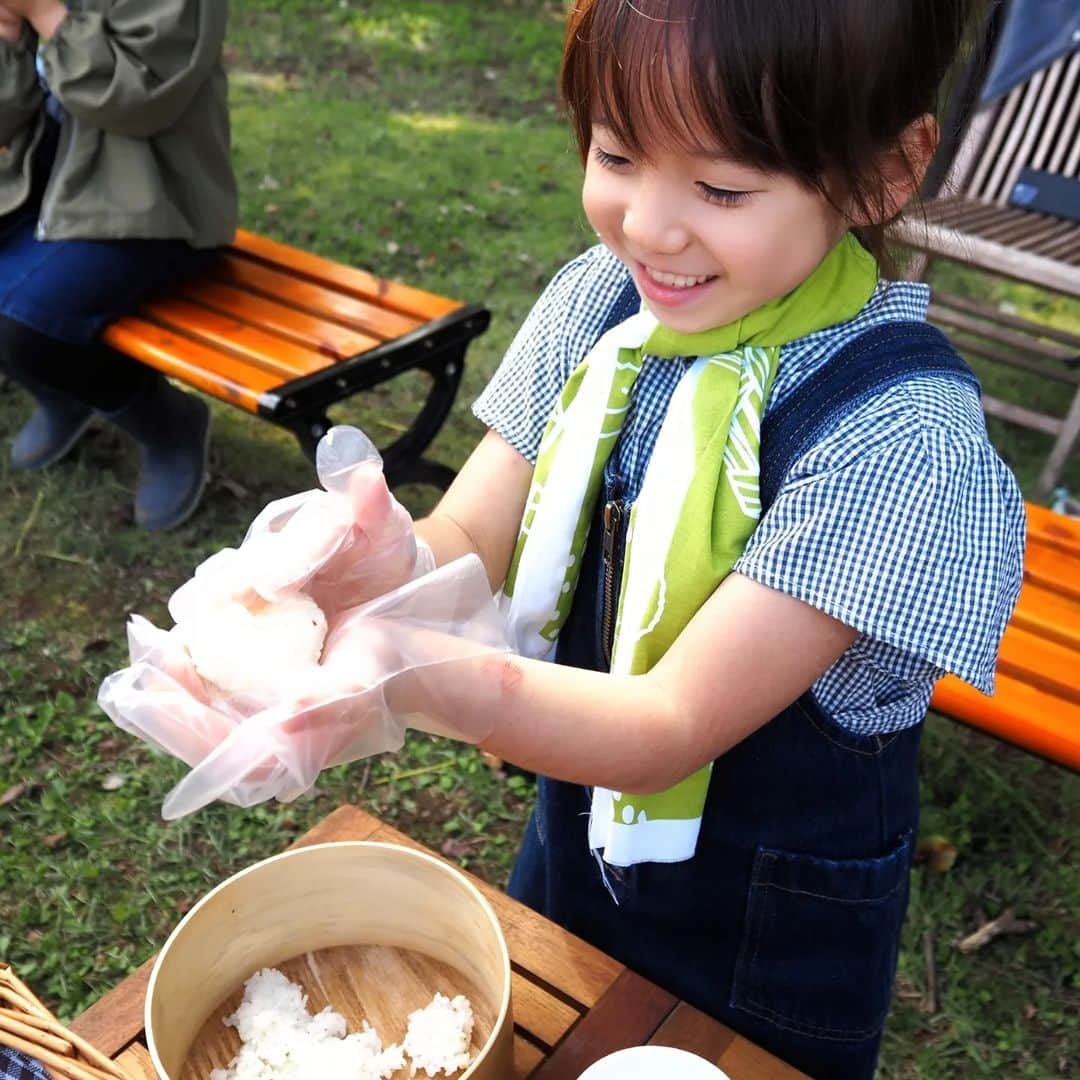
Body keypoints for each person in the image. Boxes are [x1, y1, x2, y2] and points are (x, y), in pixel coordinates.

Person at [146, 1, 1026, 1076]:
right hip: (580, 839)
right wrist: (388, 566)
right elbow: (471, 529)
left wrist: (402, 672)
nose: (649, 226)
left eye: (721, 187)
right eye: (617, 153)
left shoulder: (896, 440)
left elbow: (668, 720)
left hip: (767, 929)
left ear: (887, 170)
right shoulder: (599, 306)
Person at [0, 0, 235, 530]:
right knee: (22, 317)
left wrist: (44, 14)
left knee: (24, 323)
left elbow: (138, 101)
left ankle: (166, 424)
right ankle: (61, 393)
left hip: (157, 208)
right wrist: (9, 38)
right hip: (49, 187)